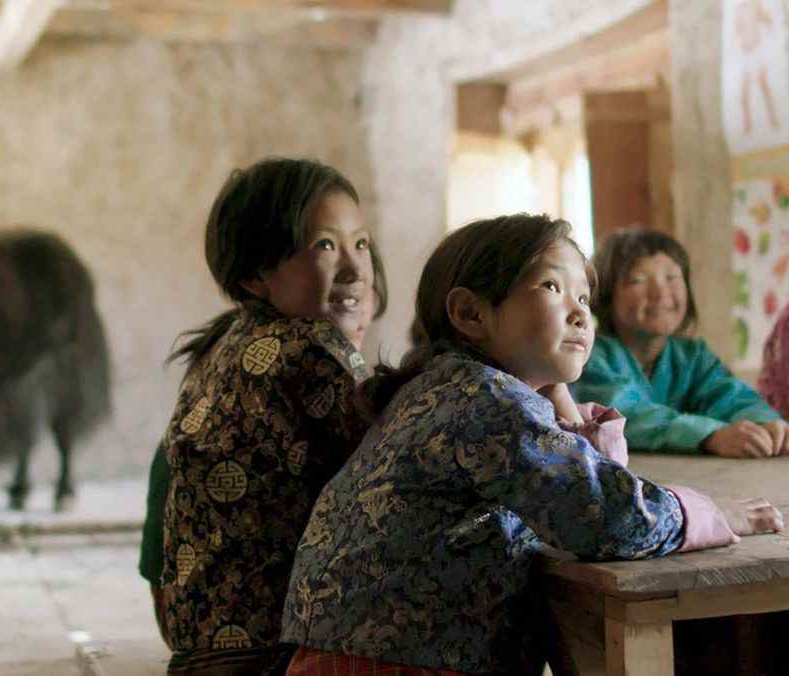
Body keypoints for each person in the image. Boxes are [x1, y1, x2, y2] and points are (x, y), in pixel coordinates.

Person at [280, 214, 783, 675]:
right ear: (471, 313)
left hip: (363, 653)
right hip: (398, 663)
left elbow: (589, 484)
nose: (580, 314)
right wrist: (714, 514)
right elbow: (607, 517)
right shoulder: (482, 399)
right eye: (552, 287)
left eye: (584, 298)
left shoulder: (448, 389)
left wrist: (560, 398)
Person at [156, 157, 387, 675]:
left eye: (362, 243)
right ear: (257, 273)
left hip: (204, 649)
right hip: (273, 655)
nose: (355, 268)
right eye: (325, 245)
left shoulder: (223, 344)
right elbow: (399, 471)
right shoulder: (309, 346)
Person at [138, 280, 382, 649]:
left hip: (192, 637)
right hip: (257, 649)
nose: (357, 305)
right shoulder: (307, 351)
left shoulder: (224, 357)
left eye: (364, 291)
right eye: (325, 248)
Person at [570, 228, 789, 457]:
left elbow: (729, 395)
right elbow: (626, 415)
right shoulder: (589, 356)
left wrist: (766, 424)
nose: (660, 293)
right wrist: (710, 435)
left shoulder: (694, 357)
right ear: (605, 295)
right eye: (638, 280)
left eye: (672, 277)